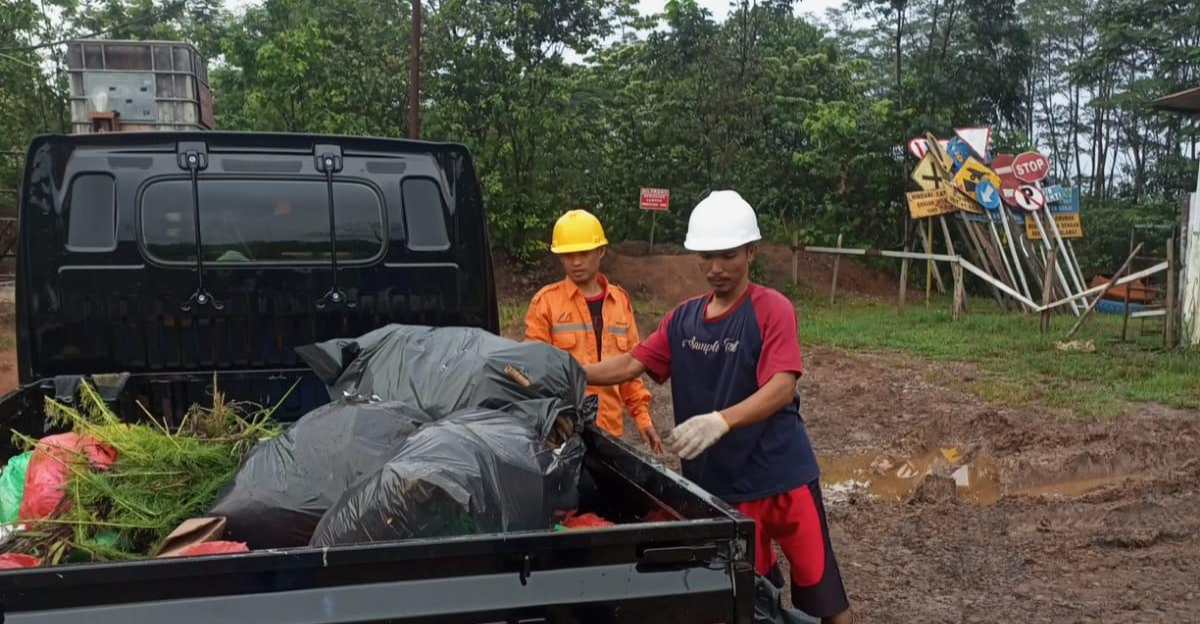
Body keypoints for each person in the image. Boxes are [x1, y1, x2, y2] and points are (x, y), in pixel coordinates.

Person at [583, 191, 851, 623]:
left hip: (782, 478)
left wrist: (721, 420)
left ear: (750, 252)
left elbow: (782, 386)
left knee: (824, 597)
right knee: (751, 599)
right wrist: (574, 373)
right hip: (723, 491)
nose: (715, 268)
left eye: (727, 256)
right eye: (706, 257)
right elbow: (633, 362)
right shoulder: (683, 318)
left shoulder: (771, 309)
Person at [524, 210, 664, 453]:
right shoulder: (545, 303)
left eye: (584, 253)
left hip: (609, 432)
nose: (576, 262)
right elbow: (533, 374)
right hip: (562, 431)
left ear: (600, 252)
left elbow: (630, 369)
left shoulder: (620, 302)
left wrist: (642, 417)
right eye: (568, 255)